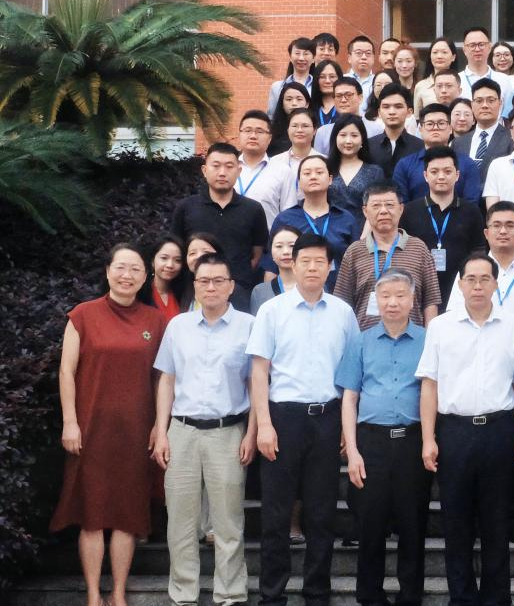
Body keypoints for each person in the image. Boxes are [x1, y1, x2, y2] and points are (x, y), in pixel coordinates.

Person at [51, 243, 168, 606]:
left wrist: (159, 425)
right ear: (107, 271)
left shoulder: (155, 321)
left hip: (136, 431)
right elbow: (66, 371)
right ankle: (92, 594)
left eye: (135, 269)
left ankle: (117, 593)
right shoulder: (82, 315)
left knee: (126, 515)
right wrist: (70, 422)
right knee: (91, 514)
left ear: (145, 277)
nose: (127, 275)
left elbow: (162, 378)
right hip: (90, 429)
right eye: (120, 267)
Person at [248, 234, 360, 606]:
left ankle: (317, 593)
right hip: (283, 419)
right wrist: (264, 424)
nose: (313, 268)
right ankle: (272, 595)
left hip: (327, 419)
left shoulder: (343, 313)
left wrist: (346, 426)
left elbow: (351, 375)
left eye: (320, 262)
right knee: (276, 514)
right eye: (306, 261)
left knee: (322, 512)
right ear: (292, 265)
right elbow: (259, 371)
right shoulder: (272, 310)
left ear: (330, 267)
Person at [419, 254, 514, 606]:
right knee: (456, 521)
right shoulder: (441, 327)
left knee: (497, 521)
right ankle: (462, 598)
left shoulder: (513, 326)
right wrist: (428, 438)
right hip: (455, 432)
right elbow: (429, 385)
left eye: (485, 279)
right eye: (471, 279)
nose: (478, 286)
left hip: (499, 430)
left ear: (496, 283)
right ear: (460, 283)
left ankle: (496, 599)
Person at [151, 253, 255, 606]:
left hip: (228, 431)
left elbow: (256, 383)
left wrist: (252, 432)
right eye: (204, 281)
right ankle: (183, 594)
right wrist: (161, 430)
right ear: (194, 286)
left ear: (231, 286)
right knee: (180, 521)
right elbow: (167, 379)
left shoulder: (249, 326)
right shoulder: (178, 327)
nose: (211, 287)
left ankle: (231, 593)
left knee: (228, 521)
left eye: (218, 281)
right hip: (182, 431)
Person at [336, 269, 431, 606]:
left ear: (412, 299)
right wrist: (352, 451)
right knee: (370, 523)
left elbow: (433, 392)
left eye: (400, 295)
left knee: (413, 523)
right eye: (386, 296)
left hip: (412, 441)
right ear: (376, 299)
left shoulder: (428, 340)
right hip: (371, 442)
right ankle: (370, 595)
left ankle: (410, 596)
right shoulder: (360, 341)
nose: (393, 302)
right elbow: (350, 398)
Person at [170, 142, 269, 311]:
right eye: (216, 166)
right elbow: (177, 249)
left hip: (239, 292)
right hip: (195, 292)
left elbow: (257, 254)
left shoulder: (253, 209)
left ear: (239, 171)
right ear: (204, 170)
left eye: (229, 166)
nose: (222, 172)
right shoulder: (186, 207)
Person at [334, 181, 441, 328]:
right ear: (365, 211)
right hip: (366, 338)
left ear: (401, 209)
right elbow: (342, 302)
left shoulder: (419, 248)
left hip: (411, 338)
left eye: (390, 205)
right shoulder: (354, 251)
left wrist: (429, 337)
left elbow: (431, 300)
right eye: (376, 206)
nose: (383, 211)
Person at [400, 146, 487, 306]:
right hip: (418, 288)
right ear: (425, 176)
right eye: (434, 172)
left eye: (447, 171)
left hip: (459, 290)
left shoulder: (471, 211)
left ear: (457, 175)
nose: (441, 177)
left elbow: (478, 250)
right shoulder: (409, 211)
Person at [267, 154, 360, 290]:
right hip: (295, 293)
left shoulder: (346, 219)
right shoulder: (285, 219)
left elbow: (356, 261)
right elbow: (271, 263)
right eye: (307, 173)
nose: (313, 177)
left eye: (319, 172)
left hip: (339, 291)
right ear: (299, 182)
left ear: (330, 179)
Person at [446, 202, 514, 326]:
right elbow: (453, 315)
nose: (503, 231)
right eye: (497, 225)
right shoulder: (469, 271)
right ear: (486, 233)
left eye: (510, 225)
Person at [392, 103, 483, 203]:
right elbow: (400, 204)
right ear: (421, 129)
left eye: (441, 123)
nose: (435, 127)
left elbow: (471, 203)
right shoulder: (405, 165)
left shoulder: (467, 164)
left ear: (450, 129)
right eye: (430, 124)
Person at [255, 107, 323, 225]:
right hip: (281, 222)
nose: (299, 130)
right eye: (295, 126)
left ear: (315, 130)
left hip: (316, 221)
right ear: (288, 130)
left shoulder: (324, 162)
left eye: (305, 126)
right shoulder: (274, 162)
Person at [326, 115, 385, 227]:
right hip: (329, 231)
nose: (348, 141)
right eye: (343, 135)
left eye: (354, 135)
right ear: (335, 138)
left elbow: (377, 208)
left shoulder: (374, 172)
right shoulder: (325, 168)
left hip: (365, 231)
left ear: (362, 139)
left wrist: (364, 235)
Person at [453, 77, 514, 182]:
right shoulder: (458, 143)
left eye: (491, 100)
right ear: (472, 105)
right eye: (479, 101)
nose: (485, 105)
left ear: (500, 103)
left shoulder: (511, 139)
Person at [367, 84, 424, 179]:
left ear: (409, 112)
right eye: (386, 107)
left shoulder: (420, 147)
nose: (392, 112)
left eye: (398, 107)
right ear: (379, 113)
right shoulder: (368, 146)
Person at [314, 77, 383, 155]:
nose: (343, 100)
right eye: (339, 96)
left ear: (360, 98)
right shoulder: (323, 132)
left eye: (348, 95)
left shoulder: (376, 129)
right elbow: (317, 161)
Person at [251, 225, 300, 314]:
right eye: (279, 246)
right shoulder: (260, 291)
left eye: (292, 245)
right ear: (271, 252)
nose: (286, 251)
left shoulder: (316, 286)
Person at [141, 234, 187, 326]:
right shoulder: (141, 292)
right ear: (152, 261)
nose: (170, 265)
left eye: (177, 260)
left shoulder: (184, 294)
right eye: (164, 258)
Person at [458, 26, 514, 99]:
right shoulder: (457, 80)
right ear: (464, 50)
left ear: (489, 47)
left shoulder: (504, 80)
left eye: (481, 44)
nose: (477, 49)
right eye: (472, 45)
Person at [266, 36, 317, 113]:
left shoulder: (319, 86)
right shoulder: (277, 87)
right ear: (290, 57)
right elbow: (271, 116)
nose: (301, 58)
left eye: (306, 54)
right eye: (297, 53)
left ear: (313, 59)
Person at [235, 110, 273, 203]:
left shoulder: (283, 171)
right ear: (239, 135)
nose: (253, 136)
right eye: (248, 130)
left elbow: (288, 210)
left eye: (259, 132)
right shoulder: (227, 168)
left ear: (270, 138)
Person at [267, 82, 312, 156]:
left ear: (307, 104)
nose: (294, 103)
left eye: (299, 99)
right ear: (282, 103)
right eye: (289, 99)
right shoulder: (270, 129)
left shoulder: (315, 128)